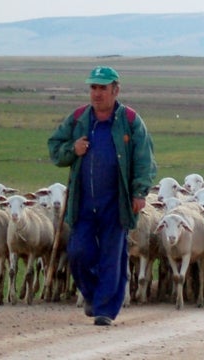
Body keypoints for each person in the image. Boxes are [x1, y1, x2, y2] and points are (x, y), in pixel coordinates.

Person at [48, 66, 156, 325]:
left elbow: (145, 159)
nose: (96, 93)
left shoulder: (130, 120)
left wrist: (139, 192)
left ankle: (105, 310)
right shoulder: (78, 119)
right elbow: (55, 147)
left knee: (112, 255)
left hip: (115, 201)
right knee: (78, 252)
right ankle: (92, 294)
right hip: (83, 200)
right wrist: (72, 150)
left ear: (115, 90)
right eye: (93, 88)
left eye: (102, 88)